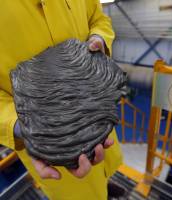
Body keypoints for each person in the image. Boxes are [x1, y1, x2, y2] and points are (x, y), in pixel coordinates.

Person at [0, 1, 123, 199]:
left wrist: (99, 37)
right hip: (52, 150)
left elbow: (99, 19)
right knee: (80, 193)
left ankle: (107, 184)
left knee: (104, 166)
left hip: (96, 115)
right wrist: (20, 125)